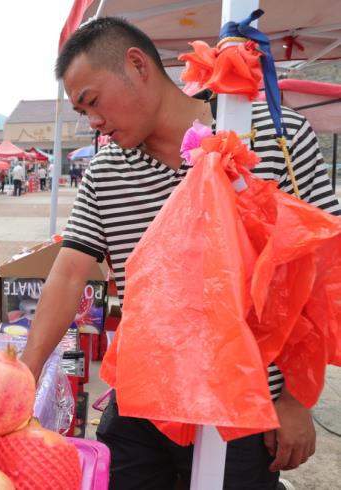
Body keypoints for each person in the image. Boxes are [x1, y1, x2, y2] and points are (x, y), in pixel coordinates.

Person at [20, 17, 339, 490]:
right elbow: (69, 273)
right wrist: (24, 375)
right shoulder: (106, 171)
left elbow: (321, 270)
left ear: (137, 65)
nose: (93, 123)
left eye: (92, 102)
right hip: (141, 401)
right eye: (83, 112)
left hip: (243, 409)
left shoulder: (270, 134)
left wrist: (294, 398)